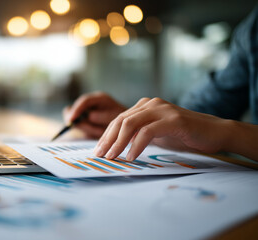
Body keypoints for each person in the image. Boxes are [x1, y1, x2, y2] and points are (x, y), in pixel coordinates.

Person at [63, 7, 258, 162]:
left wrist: (229, 133)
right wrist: (129, 120)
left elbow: (211, 127)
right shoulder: (253, 31)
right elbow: (193, 119)